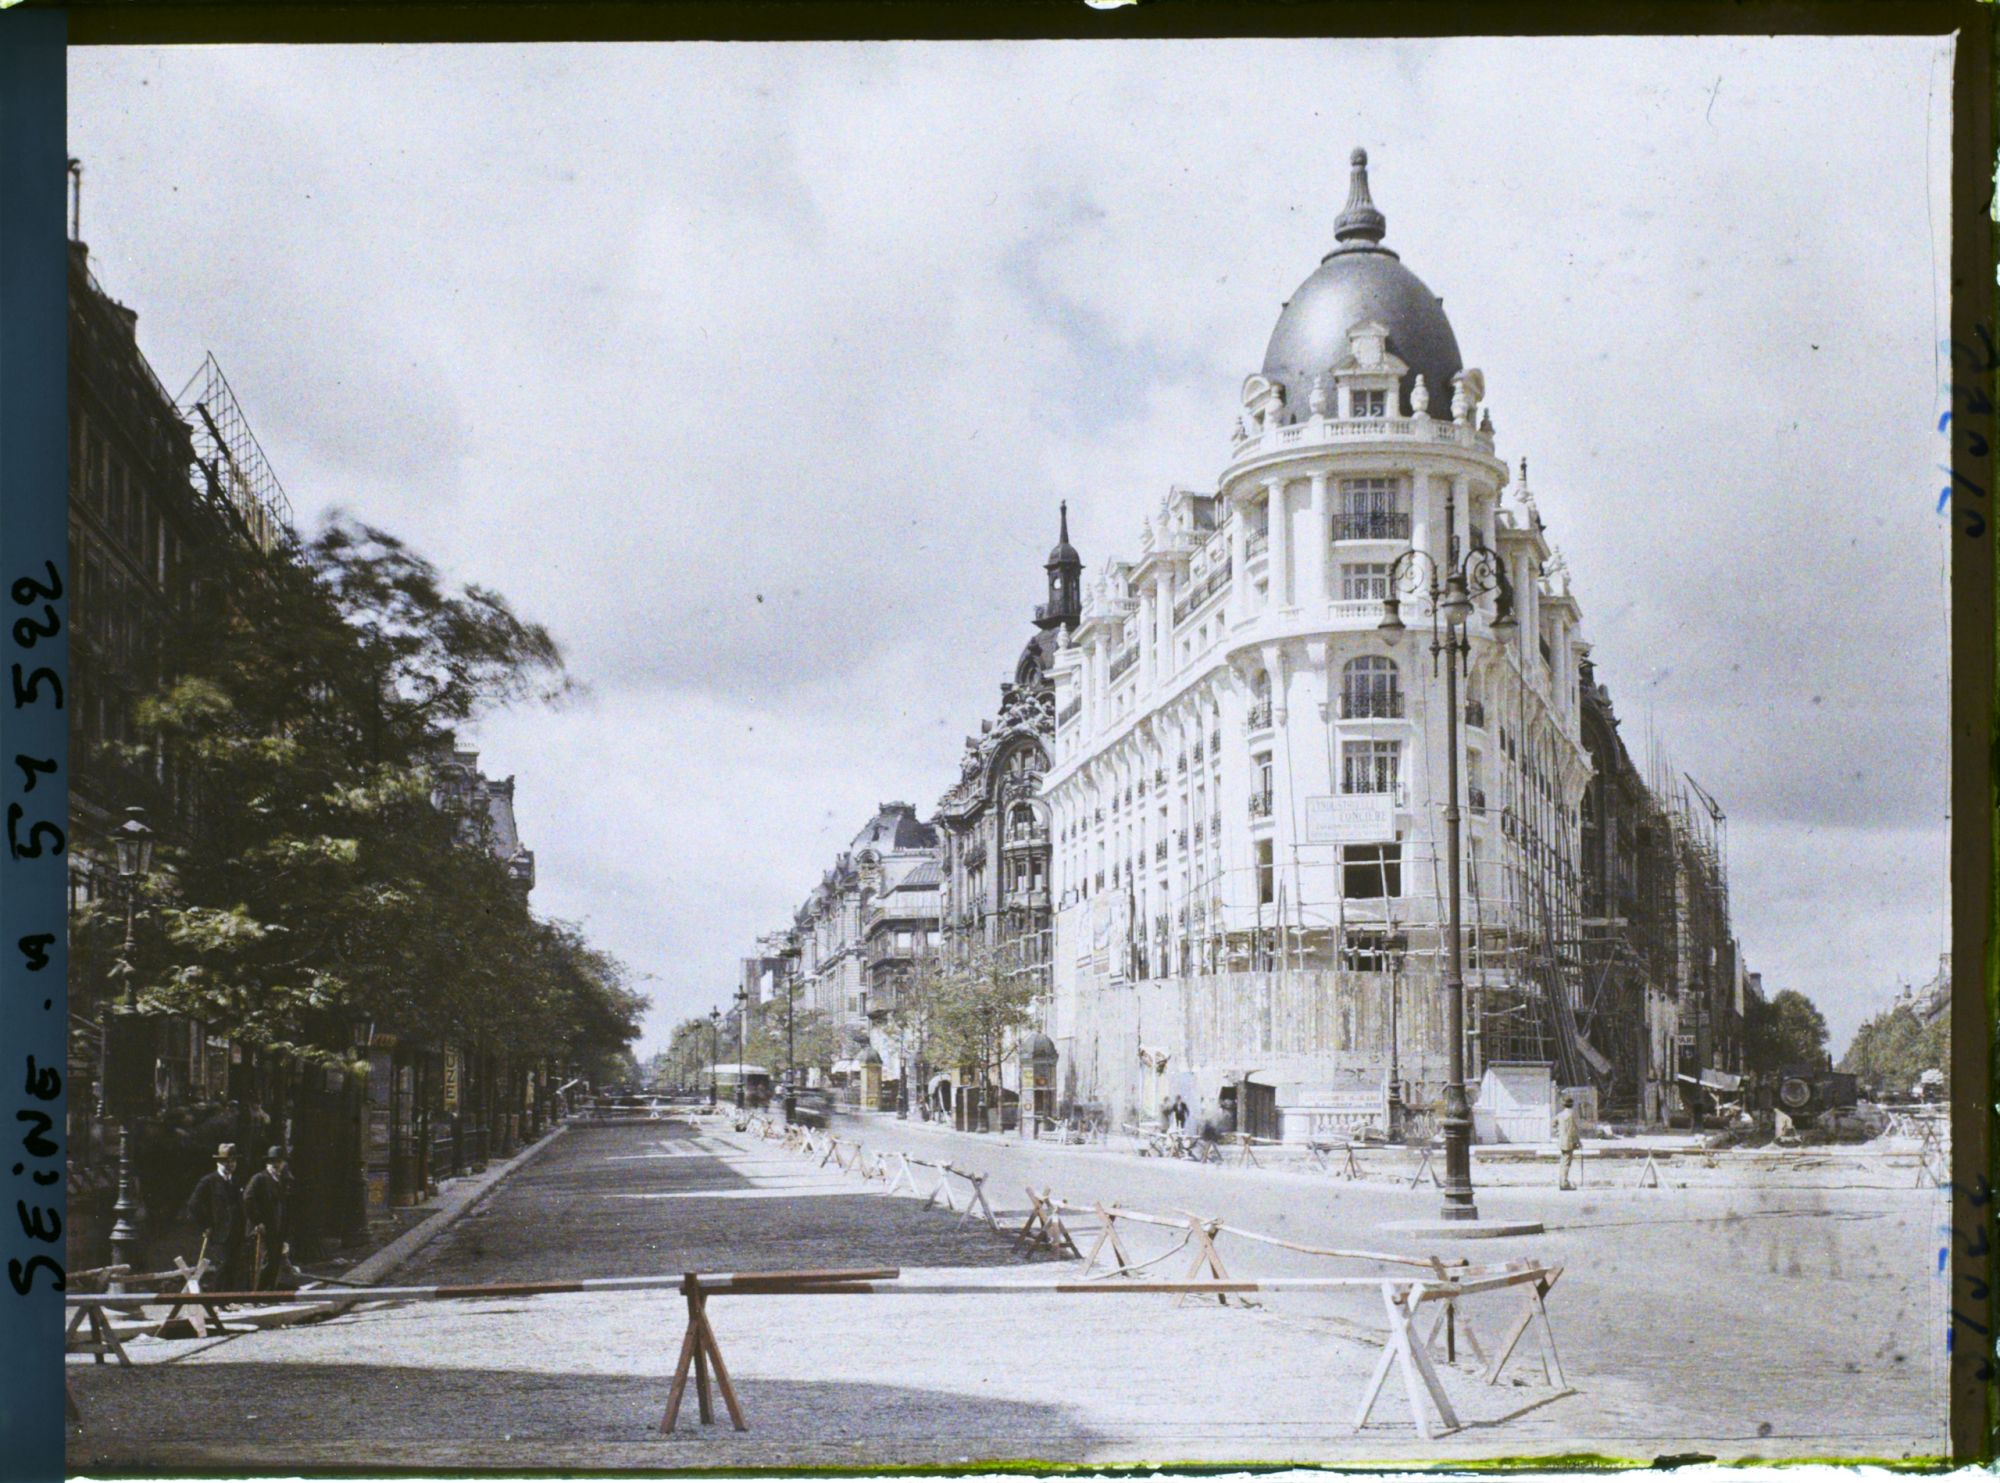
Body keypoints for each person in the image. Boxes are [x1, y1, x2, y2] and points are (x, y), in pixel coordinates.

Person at [185, 1143, 246, 1291]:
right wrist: (205, 1225)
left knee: (234, 1267)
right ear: (218, 1162)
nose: (230, 1164)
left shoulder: (236, 1180)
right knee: (223, 1266)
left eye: (233, 1161)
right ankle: (218, 1299)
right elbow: (193, 1205)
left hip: (236, 1231)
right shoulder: (209, 1181)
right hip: (219, 1233)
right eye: (226, 1161)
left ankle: (230, 1299)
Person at [243, 1146, 293, 1291]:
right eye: (273, 1161)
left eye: (279, 1161)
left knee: (274, 1262)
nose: (276, 1164)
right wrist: (257, 1221)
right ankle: (258, 1293)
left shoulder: (282, 1180)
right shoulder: (259, 1178)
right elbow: (247, 1200)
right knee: (263, 1262)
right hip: (262, 1229)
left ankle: (269, 1293)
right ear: (267, 1163)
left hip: (277, 1229)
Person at [1554, 1095, 1582, 1190]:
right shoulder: (1572, 1115)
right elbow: (1574, 1130)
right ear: (1572, 1104)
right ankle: (1564, 1183)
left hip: (1562, 1141)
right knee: (1567, 1163)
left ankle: (1562, 1181)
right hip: (1569, 1141)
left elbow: (1553, 1124)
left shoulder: (1560, 1114)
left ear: (1563, 1104)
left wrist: (1558, 1133)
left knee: (1563, 1162)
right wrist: (1578, 1142)